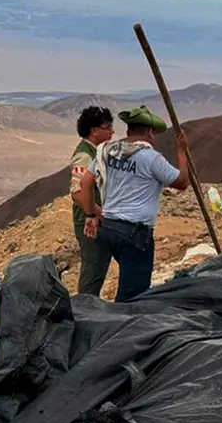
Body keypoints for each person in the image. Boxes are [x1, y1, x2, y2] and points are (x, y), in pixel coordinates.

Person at [77, 105, 189, 302]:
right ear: (149, 132)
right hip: (135, 233)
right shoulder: (151, 157)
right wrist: (181, 152)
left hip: (110, 228)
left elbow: (85, 183)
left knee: (127, 278)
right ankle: (121, 327)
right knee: (133, 295)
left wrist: (90, 215)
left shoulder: (109, 151)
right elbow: (181, 183)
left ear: (129, 130)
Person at [69, 106, 116, 296]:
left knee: (99, 267)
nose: (112, 131)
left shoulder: (97, 152)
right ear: (95, 130)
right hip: (91, 223)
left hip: (97, 220)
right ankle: (85, 312)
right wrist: (97, 213)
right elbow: (78, 193)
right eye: (108, 127)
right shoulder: (84, 156)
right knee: (93, 271)